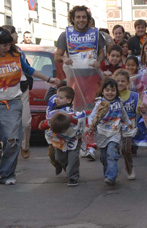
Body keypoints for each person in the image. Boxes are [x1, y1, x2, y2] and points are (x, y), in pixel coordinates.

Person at [0, 28, 60, 185]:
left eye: (8, 44)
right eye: (3, 45)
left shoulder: (16, 54)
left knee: (12, 140)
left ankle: (7, 174)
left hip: (11, 103)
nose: (6, 48)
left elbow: (28, 70)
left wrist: (49, 79)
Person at [88, 78, 132, 185]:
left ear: (116, 91)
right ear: (103, 91)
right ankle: (110, 171)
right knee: (104, 157)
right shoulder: (100, 103)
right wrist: (91, 125)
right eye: (107, 90)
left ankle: (111, 176)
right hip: (102, 133)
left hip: (114, 133)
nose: (110, 92)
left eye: (112, 90)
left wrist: (128, 123)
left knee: (111, 153)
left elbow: (124, 114)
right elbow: (92, 116)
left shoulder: (119, 103)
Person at [39, 86, 86, 187]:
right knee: (60, 158)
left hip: (73, 140)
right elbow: (45, 124)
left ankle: (73, 176)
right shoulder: (53, 109)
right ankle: (67, 168)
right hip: (60, 141)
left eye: (60, 98)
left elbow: (80, 118)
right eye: (57, 97)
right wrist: (44, 125)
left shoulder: (72, 114)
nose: (57, 99)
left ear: (68, 99)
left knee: (73, 158)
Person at [3, 25, 33, 159]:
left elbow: (27, 68)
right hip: (6, 95)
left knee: (26, 122)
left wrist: (48, 79)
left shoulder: (18, 52)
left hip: (21, 89)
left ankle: (24, 145)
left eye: (12, 34)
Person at [114, 69, 145, 180]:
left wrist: (142, 108)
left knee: (126, 149)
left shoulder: (134, 96)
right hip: (114, 127)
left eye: (123, 81)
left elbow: (138, 110)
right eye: (117, 81)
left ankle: (130, 169)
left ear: (128, 83)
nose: (120, 83)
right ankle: (112, 170)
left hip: (129, 127)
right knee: (112, 151)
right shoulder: (111, 96)